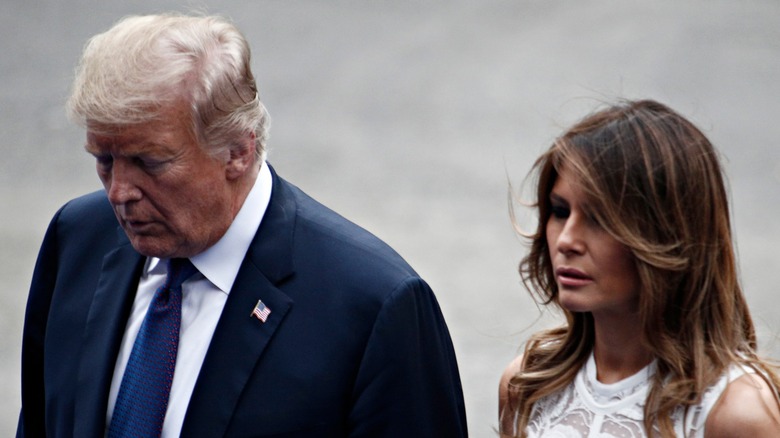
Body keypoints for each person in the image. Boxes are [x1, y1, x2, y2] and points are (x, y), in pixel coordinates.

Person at [17, 13, 467, 437]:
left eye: (148, 162)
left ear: (238, 150)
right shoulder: (77, 239)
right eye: (104, 160)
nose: (118, 192)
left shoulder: (373, 307)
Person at [498, 99, 780, 437]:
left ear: (669, 234)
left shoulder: (736, 412)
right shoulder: (528, 385)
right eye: (560, 211)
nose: (567, 241)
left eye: (600, 219)